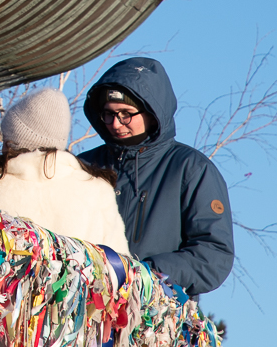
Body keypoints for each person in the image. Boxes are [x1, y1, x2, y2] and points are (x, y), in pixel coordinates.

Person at [79, 57, 235, 296]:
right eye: (108, 115)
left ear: (152, 113)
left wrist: (149, 274)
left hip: (152, 316)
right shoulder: (83, 165)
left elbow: (213, 255)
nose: (116, 124)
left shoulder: (190, 168)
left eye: (126, 114)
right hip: (84, 311)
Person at [0, 88, 130, 254]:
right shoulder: (97, 190)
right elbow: (121, 267)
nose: (2, 148)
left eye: (6, 140)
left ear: (16, 142)